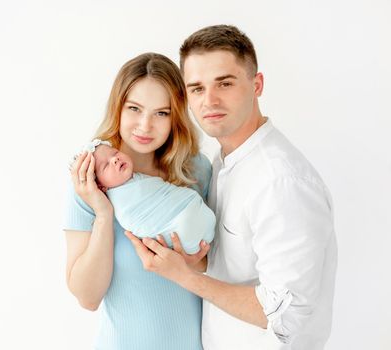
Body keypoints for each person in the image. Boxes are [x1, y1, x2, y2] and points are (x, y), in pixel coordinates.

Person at [125, 25, 338, 350]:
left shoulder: (280, 181)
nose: (209, 100)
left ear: (257, 85)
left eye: (224, 83)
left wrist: (185, 277)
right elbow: (238, 264)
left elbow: (286, 314)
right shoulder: (222, 163)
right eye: (196, 88)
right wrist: (193, 261)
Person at [64, 52, 211, 350]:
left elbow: (214, 263)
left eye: (161, 113)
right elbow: (88, 298)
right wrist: (104, 214)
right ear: (118, 108)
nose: (145, 126)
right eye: (134, 108)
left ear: (177, 116)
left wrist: (194, 263)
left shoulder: (196, 170)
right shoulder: (92, 180)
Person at [75, 139, 215, 254]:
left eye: (115, 153)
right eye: (105, 165)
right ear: (100, 186)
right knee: (186, 224)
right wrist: (103, 213)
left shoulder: (198, 164)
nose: (115, 159)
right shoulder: (118, 201)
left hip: (197, 217)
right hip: (184, 229)